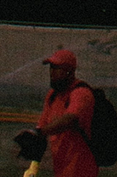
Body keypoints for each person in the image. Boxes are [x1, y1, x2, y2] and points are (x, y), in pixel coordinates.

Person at [38, 48, 99, 177]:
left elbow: (70, 119)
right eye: (51, 68)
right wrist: (33, 136)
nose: (52, 72)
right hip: (61, 171)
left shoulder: (81, 93)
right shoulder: (53, 96)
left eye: (57, 68)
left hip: (82, 171)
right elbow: (42, 126)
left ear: (69, 71)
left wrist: (42, 132)